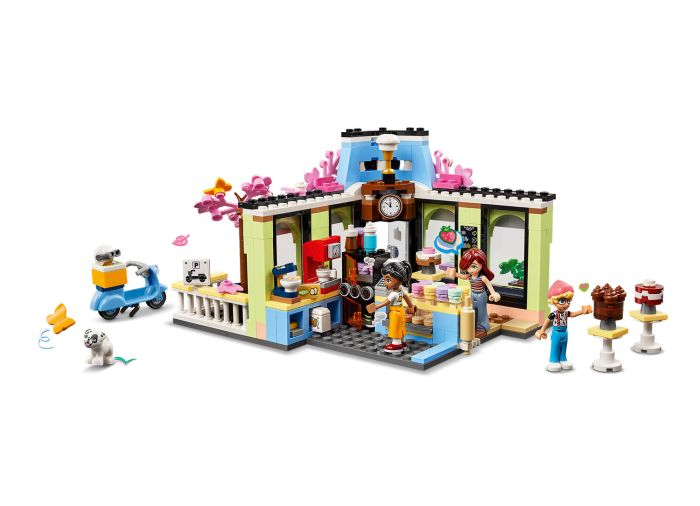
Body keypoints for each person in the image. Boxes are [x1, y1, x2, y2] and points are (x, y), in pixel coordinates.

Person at [535, 280, 592, 372]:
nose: (566, 304)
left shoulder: (566, 313)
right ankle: (553, 361)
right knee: (555, 347)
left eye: (568, 301)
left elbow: (573, 314)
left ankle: (563, 359)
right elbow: (547, 320)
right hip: (556, 333)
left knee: (564, 346)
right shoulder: (554, 314)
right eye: (562, 301)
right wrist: (542, 330)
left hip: (565, 332)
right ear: (554, 301)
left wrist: (582, 311)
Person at [447, 248, 500, 332]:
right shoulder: (469, 276)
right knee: (472, 309)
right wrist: (455, 274)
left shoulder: (482, 277)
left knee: (481, 310)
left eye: (474, 266)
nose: (470, 270)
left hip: (481, 295)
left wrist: (493, 293)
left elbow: (489, 286)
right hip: (472, 294)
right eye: (467, 267)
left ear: (482, 264)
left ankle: (483, 324)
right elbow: (463, 276)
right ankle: (473, 324)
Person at [367, 260, 415, 354]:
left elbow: (387, 302)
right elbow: (407, 300)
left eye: (388, 280)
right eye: (385, 279)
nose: (385, 283)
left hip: (395, 313)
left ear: (399, 278)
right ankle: (403, 342)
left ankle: (396, 344)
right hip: (401, 311)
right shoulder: (401, 292)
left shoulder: (393, 293)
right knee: (401, 327)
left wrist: (377, 306)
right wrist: (411, 307)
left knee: (395, 328)